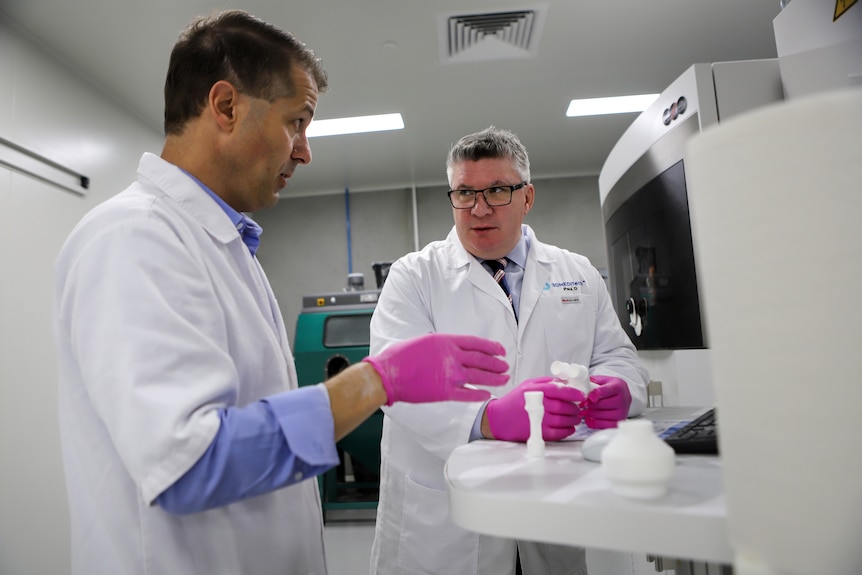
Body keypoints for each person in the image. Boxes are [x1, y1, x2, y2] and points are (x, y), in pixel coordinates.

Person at [52, 12, 511, 575]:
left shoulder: (222, 245)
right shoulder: (134, 237)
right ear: (225, 107)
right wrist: (375, 381)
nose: (305, 151)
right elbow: (190, 462)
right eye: (298, 121)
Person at [368, 126, 649, 575]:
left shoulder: (577, 273)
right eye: (464, 193)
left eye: (496, 190)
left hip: (552, 504)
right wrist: (488, 418)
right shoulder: (414, 278)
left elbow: (617, 356)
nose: (478, 208)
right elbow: (394, 384)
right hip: (445, 524)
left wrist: (621, 389)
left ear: (527, 197)